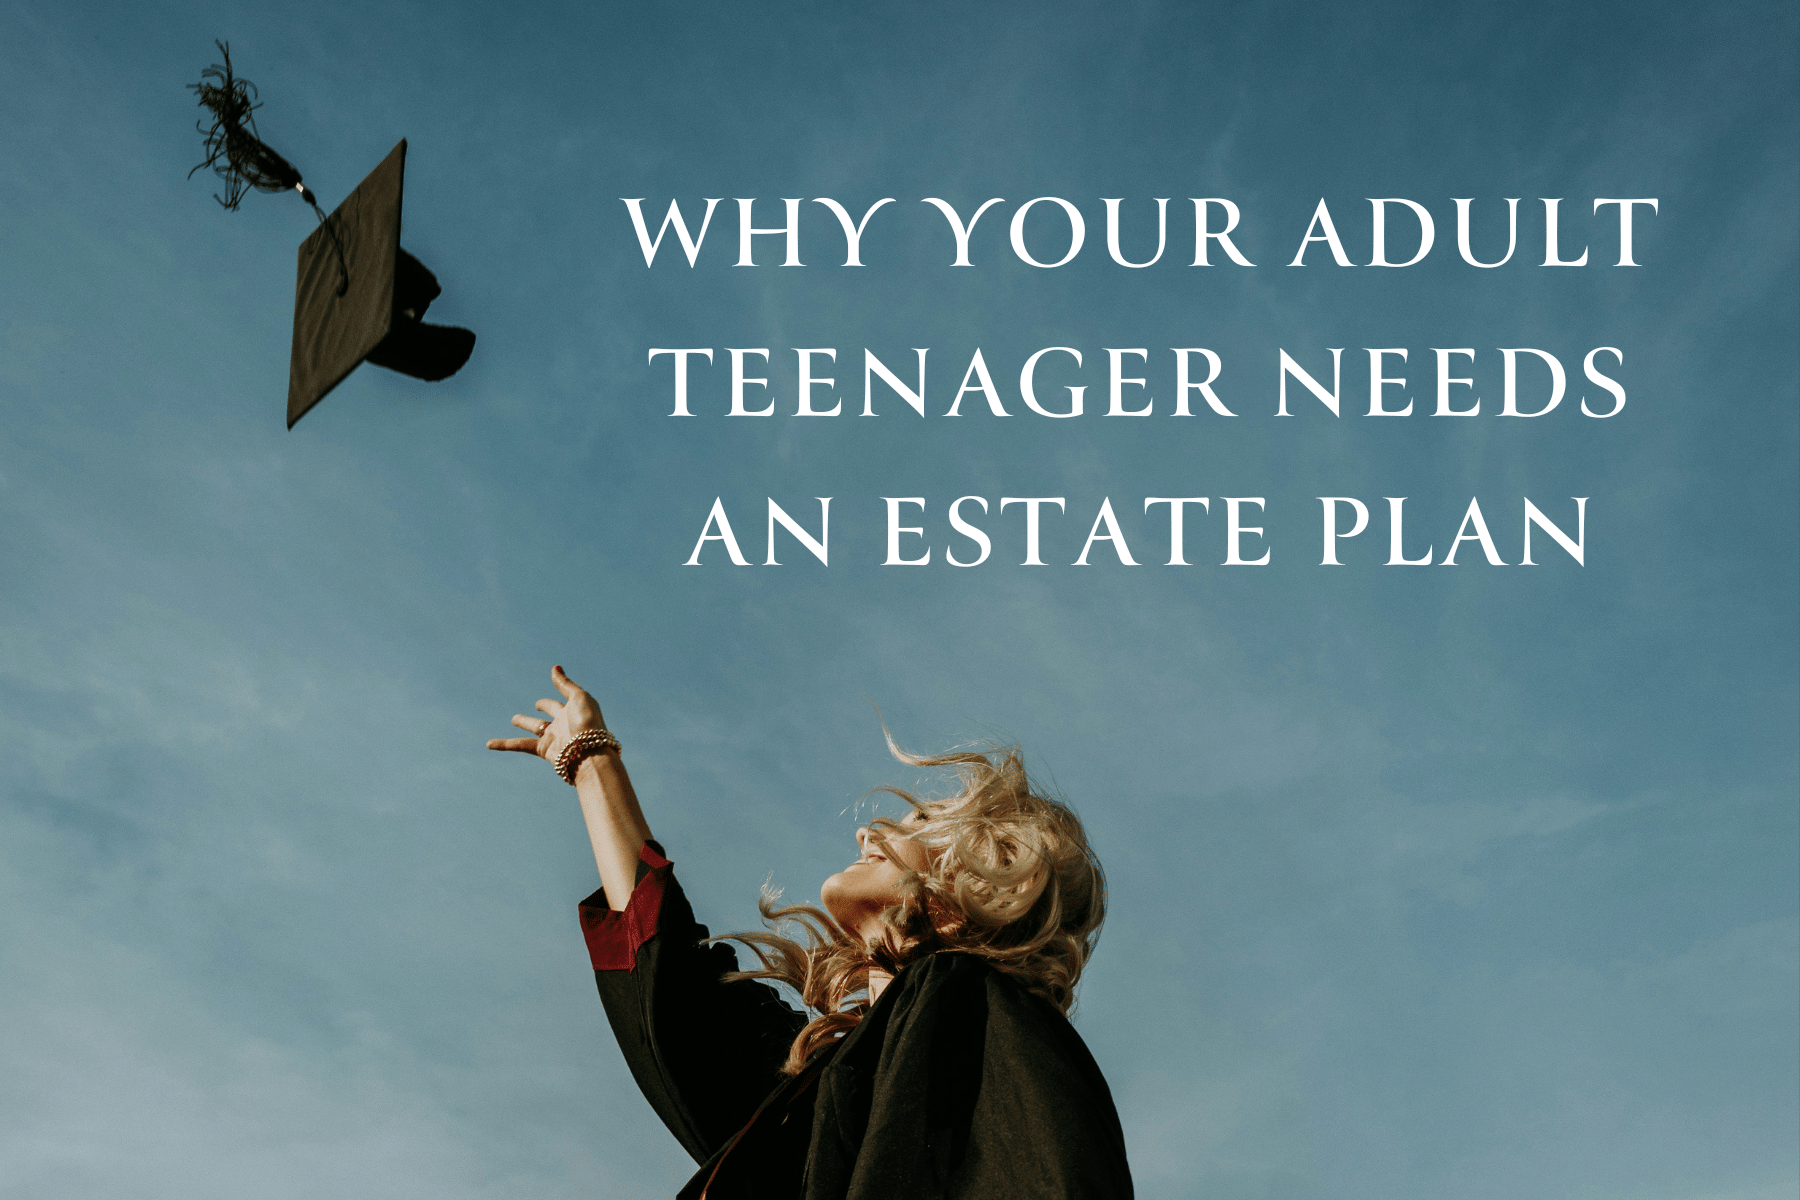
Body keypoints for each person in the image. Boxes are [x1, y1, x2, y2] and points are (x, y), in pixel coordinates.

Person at [488, 666, 1134, 1199]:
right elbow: (677, 999)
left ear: (985, 882)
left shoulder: (978, 1008)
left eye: (925, 821)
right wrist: (590, 761)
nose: (870, 830)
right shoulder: (824, 1084)